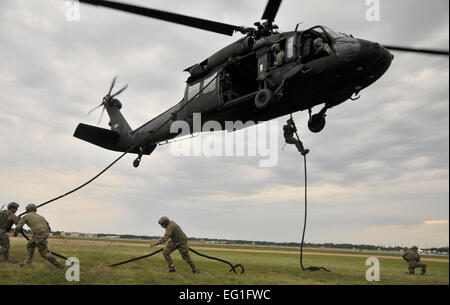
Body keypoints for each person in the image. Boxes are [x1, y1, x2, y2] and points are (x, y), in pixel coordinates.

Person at [13, 204, 64, 268]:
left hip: (39, 233)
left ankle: (58, 264)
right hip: (42, 233)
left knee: (44, 253)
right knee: (30, 245)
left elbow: (18, 227)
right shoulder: (40, 216)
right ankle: (27, 263)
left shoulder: (26, 216)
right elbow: (48, 226)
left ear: (27, 210)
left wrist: (15, 233)